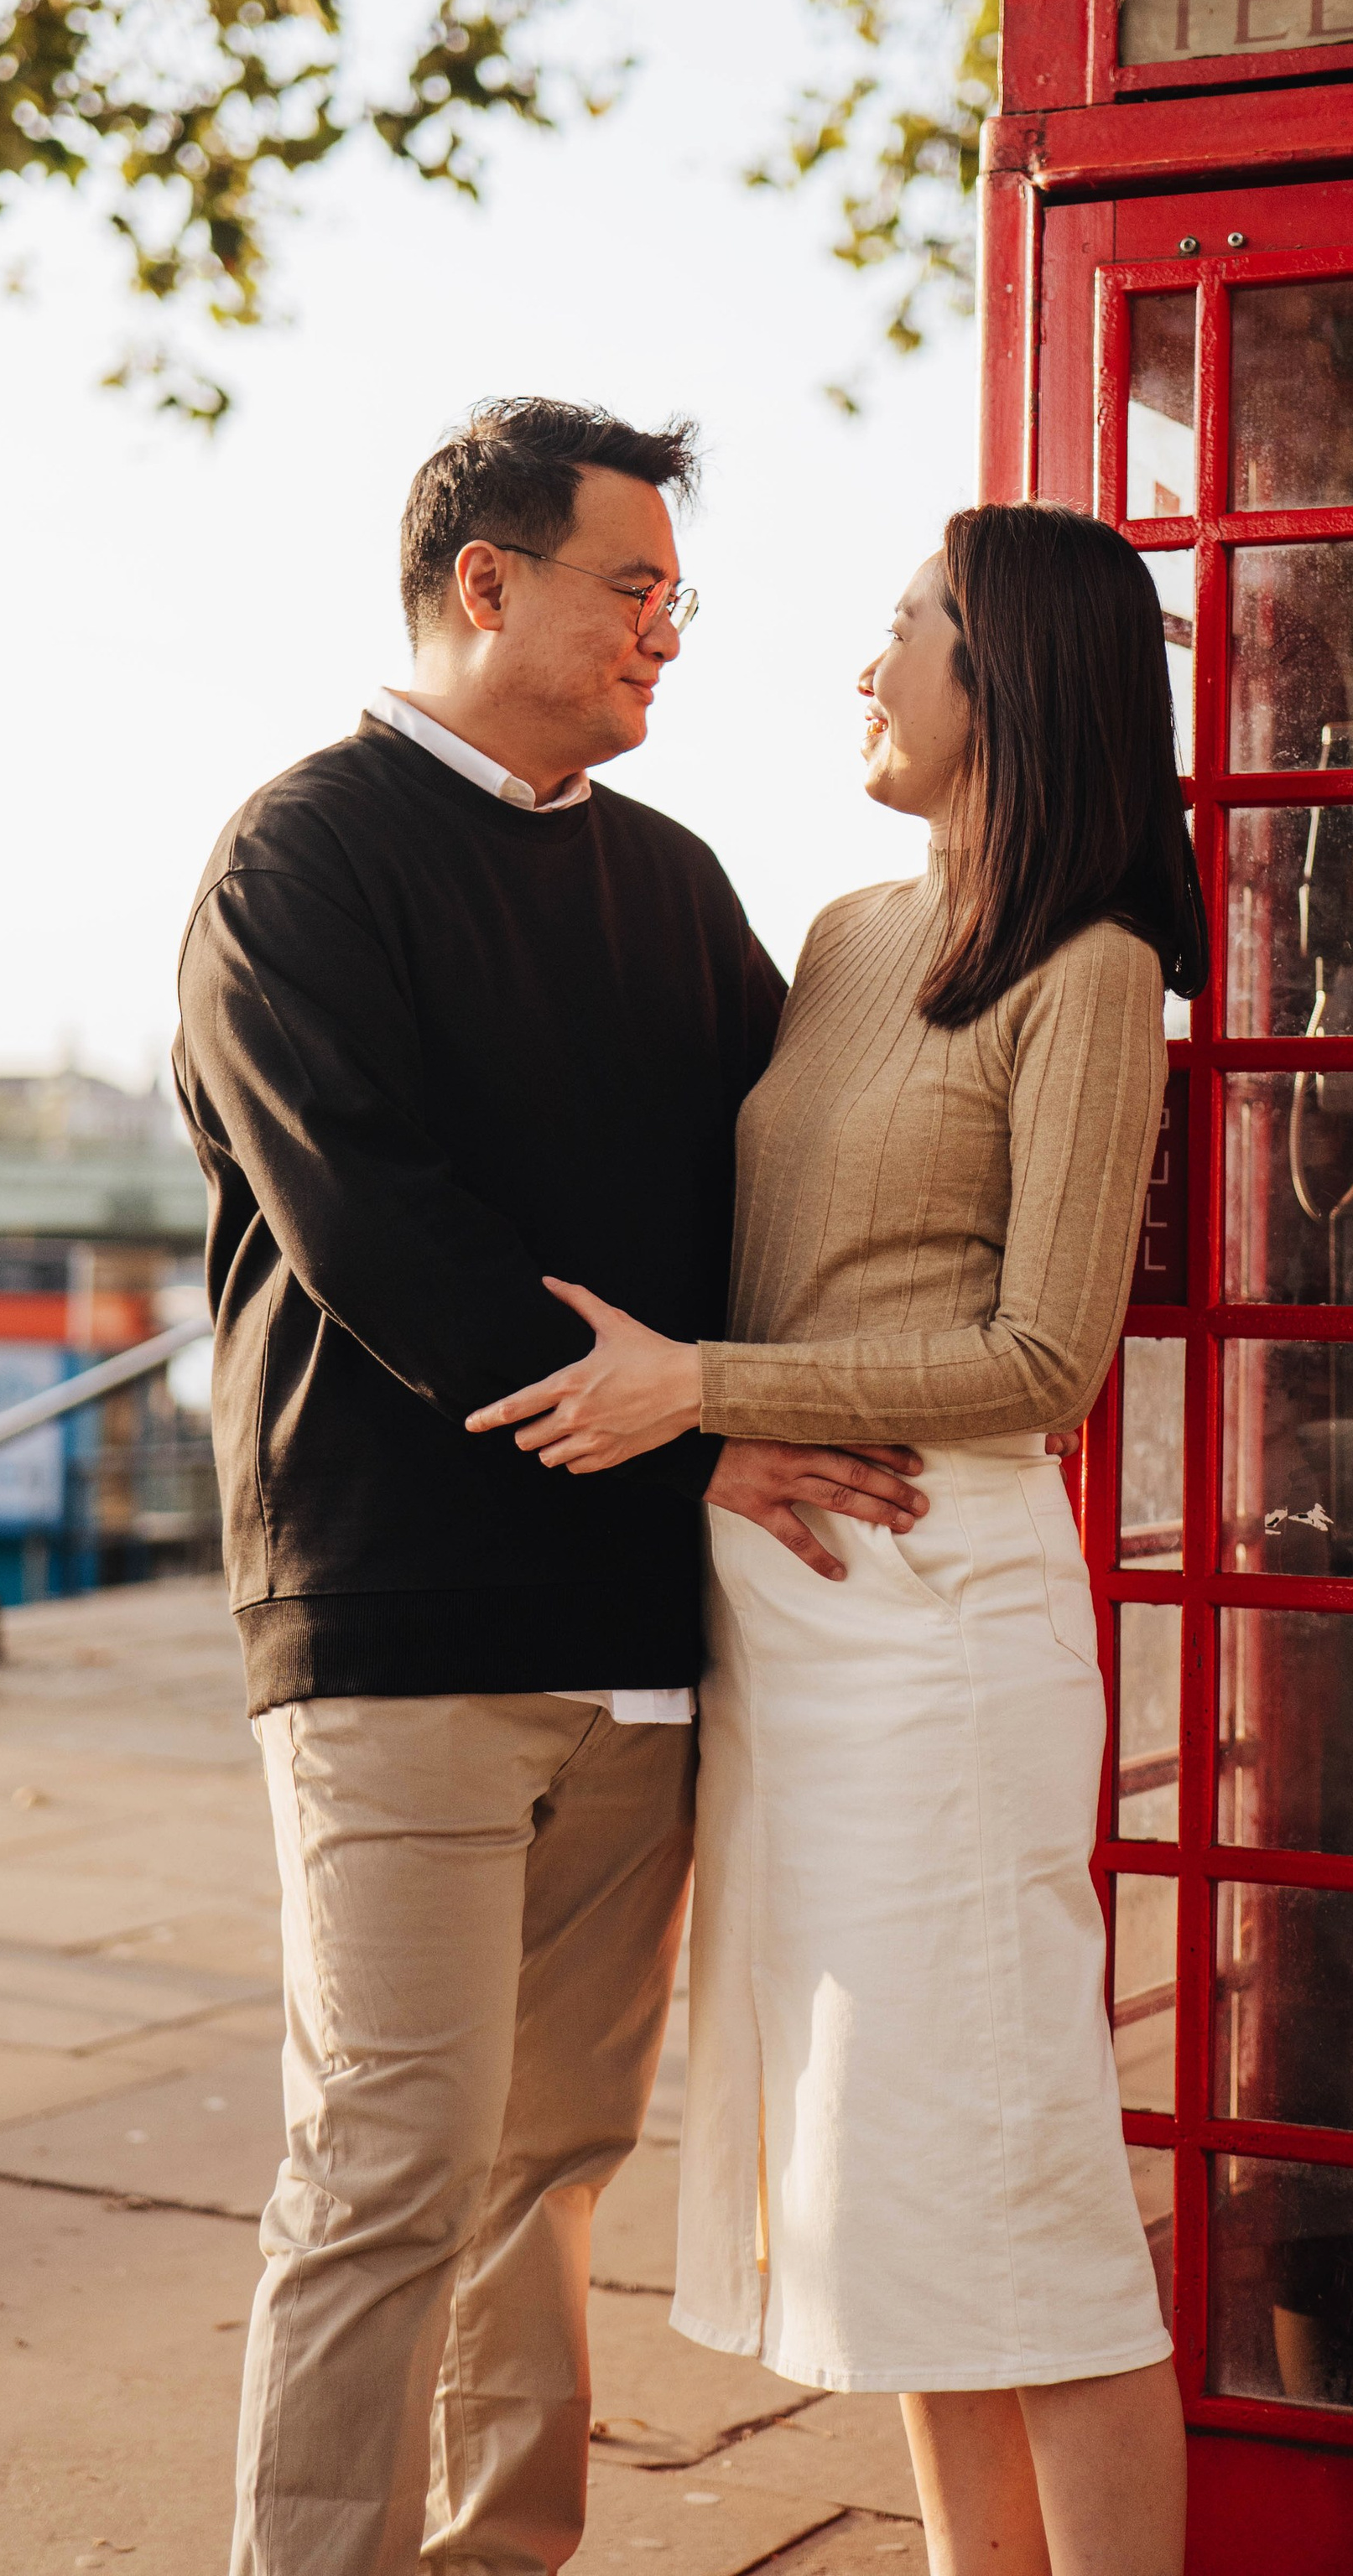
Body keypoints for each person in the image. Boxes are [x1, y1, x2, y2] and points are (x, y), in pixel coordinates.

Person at [172, 396, 929, 2576]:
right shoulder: (295, 860)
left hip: (637, 1645)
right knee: (389, 2164)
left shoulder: (674, 882)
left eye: (681, 600)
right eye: (635, 588)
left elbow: (793, 1178)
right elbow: (376, 1234)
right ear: (483, 583)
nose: (669, 637)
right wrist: (709, 1416)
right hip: (395, 1629)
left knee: (551, 2170)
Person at [470, 500, 1209, 2576]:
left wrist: (707, 1390)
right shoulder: (846, 939)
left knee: (1018, 2181)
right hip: (781, 1624)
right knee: (893, 2194)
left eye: (904, 633)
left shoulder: (1090, 966)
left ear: (1013, 683)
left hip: (941, 1621)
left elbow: (1042, 1358)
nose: (863, 670)